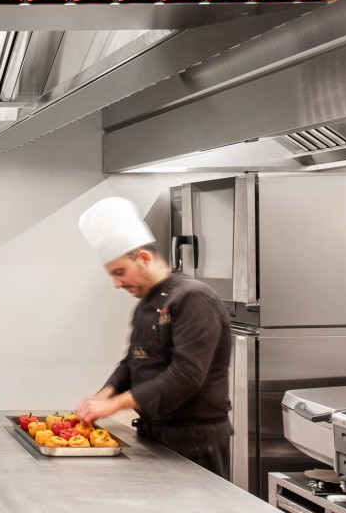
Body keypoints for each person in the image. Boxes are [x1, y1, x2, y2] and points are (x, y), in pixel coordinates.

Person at [75, 197, 233, 478]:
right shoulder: (146, 304)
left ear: (144, 258)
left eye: (120, 272)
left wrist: (115, 404)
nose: (117, 283)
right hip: (156, 435)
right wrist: (102, 396)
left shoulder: (193, 297)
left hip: (194, 441)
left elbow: (186, 374)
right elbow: (132, 361)